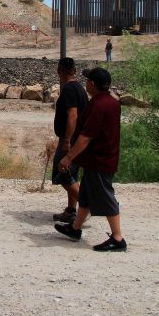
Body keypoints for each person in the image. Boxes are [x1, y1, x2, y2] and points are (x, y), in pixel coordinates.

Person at [55, 67, 127, 252]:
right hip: (100, 158)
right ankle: (75, 228)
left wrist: (68, 157)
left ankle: (118, 238)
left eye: (88, 81)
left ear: (93, 84)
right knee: (85, 196)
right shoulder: (111, 102)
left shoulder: (98, 106)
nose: (85, 83)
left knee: (105, 196)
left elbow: (86, 136)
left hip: (99, 160)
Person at [51, 57, 89, 223]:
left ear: (60, 70)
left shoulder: (69, 89)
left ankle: (87, 205)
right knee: (71, 175)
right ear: (74, 70)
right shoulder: (79, 88)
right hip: (76, 138)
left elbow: (72, 116)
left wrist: (67, 141)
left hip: (70, 140)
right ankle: (71, 210)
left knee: (62, 173)